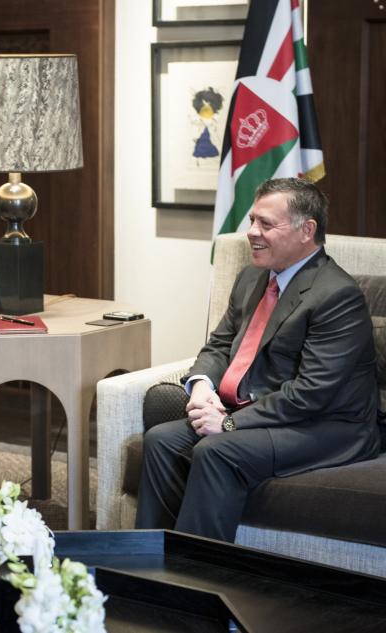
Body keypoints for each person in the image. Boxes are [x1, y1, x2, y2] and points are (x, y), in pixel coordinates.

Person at [135, 178, 380, 542]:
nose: (251, 232)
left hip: (327, 426)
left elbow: (311, 393)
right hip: (262, 413)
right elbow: (219, 346)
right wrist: (201, 386)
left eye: (266, 224)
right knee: (161, 440)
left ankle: (195, 577)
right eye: (252, 220)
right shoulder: (252, 278)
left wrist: (229, 425)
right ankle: (146, 561)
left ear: (306, 230)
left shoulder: (336, 295)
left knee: (218, 450)